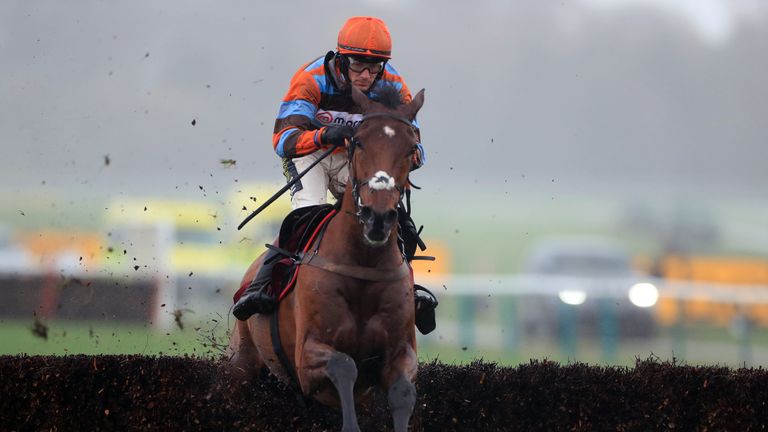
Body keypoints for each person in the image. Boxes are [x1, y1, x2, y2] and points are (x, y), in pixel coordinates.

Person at [233, 16, 437, 334]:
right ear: (341, 58)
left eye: (375, 66)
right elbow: (283, 141)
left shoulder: (394, 85)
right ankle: (264, 285)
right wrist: (323, 135)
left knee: (388, 215)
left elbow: (414, 141)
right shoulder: (312, 79)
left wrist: (408, 157)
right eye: (359, 64)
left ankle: (409, 292)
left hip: (358, 161)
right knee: (308, 212)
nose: (367, 74)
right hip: (311, 156)